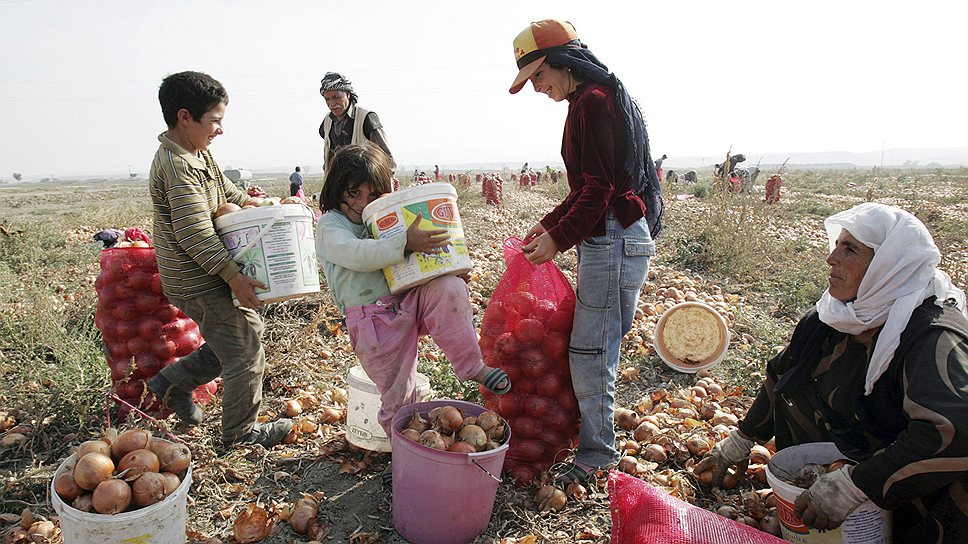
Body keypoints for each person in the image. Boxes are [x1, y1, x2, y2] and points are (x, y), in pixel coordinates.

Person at [695, 202, 968, 543]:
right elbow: (782, 376)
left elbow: (954, 431)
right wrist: (743, 437)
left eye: (850, 249)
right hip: (847, 468)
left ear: (889, 266)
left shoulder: (931, 335)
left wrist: (857, 484)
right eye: (837, 244)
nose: (831, 258)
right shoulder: (834, 316)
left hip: (912, 495)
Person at [508, 19, 658, 483]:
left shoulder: (593, 102)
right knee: (594, 345)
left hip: (612, 237)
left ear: (561, 61)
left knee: (593, 350)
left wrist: (558, 239)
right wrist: (550, 224)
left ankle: (597, 454)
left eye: (537, 76)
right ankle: (594, 440)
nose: (536, 88)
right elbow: (587, 187)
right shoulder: (587, 101)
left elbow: (600, 189)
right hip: (608, 236)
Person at [314, 143, 512, 481]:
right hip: (373, 324)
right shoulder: (332, 227)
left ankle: (471, 366)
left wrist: (448, 267)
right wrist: (403, 242)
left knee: (449, 288)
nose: (364, 201)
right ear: (337, 191)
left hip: (404, 300)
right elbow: (358, 254)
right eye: (354, 193)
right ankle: (407, 463)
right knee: (400, 396)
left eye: (374, 193)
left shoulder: (379, 219)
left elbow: (408, 263)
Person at [146, 71, 293, 448]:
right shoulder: (178, 167)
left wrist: (269, 206)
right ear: (184, 117)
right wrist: (233, 276)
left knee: (241, 336)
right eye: (214, 121)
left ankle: (172, 383)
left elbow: (231, 195)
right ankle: (240, 436)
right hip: (198, 279)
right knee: (245, 351)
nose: (220, 130)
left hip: (206, 274)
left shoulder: (199, 154)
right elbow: (193, 233)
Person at [318, 72, 395, 177]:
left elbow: (387, 159)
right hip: (337, 186)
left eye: (336, 97)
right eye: (327, 99)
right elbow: (328, 158)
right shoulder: (327, 122)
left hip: (364, 186)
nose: (332, 104)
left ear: (348, 94)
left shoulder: (367, 118)